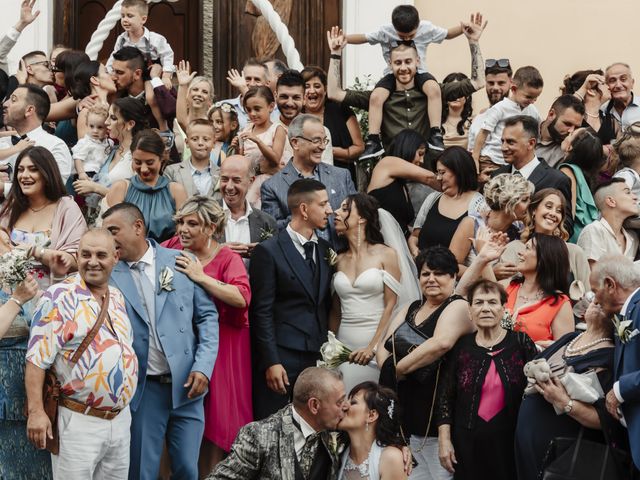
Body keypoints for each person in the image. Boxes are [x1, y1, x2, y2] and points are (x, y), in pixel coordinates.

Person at [102, 202, 219, 480]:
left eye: (113, 230)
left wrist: (203, 367)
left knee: (188, 470)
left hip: (187, 386)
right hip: (145, 389)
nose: (109, 239)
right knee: (142, 470)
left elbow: (207, 318)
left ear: (138, 227)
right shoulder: (109, 274)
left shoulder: (179, 261)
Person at [25, 229, 139, 479]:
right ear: (77, 255)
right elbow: (36, 360)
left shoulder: (117, 297)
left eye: (101, 254)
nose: (93, 261)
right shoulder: (58, 296)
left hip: (120, 421)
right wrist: (36, 411)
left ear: (115, 257)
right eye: (85, 254)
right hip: (78, 421)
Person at [162, 196, 251, 474]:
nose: (183, 230)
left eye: (192, 224)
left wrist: (201, 277)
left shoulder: (227, 258)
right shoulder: (172, 248)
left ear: (211, 228)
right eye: (180, 223)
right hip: (182, 340)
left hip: (223, 344)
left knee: (217, 418)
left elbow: (241, 297)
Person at [378, 246, 473, 480]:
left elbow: (440, 343)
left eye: (439, 273)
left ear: (453, 277)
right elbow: (384, 345)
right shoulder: (411, 307)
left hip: (438, 411)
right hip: (407, 406)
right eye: (425, 273)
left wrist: (397, 369)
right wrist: (387, 369)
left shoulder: (457, 305)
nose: (430, 279)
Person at [250, 179, 334, 420]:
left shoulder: (325, 250)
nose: (330, 209)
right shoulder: (269, 251)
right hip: (282, 358)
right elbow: (261, 312)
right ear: (304, 210)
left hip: (315, 356)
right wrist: (271, 362)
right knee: (276, 428)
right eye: (324, 204)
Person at [346, 6, 480, 156]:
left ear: (418, 25)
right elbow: (364, 37)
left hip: (420, 72)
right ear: (394, 27)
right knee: (376, 97)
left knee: (434, 89)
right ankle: (373, 140)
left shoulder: (426, 28)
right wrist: (344, 39)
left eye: (411, 35)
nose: (407, 39)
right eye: (402, 36)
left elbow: (447, 34)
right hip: (392, 75)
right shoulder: (385, 31)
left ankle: (435, 133)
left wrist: (464, 29)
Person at [515, 288, 620, 480]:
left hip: (564, 455)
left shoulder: (610, 357)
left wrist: (564, 402)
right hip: (528, 443)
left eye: (604, 303)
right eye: (595, 299)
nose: (597, 302)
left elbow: (606, 418)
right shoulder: (570, 338)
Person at [436, 279, 537, 480]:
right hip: (468, 444)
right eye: (479, 302)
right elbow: (445, 397)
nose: (485, 308)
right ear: (470, 311)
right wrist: (444, 440)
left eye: (492, 302)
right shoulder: (461, 348)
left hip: (511, 443)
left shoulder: (521, 343)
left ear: (503, 309)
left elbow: (536, 392)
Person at [208, 366, 349, 480]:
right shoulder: (259, 435)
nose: (346, 406)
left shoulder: (336, 430)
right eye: (339, 402)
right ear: (314, 406)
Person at [330, 194, 402, 392]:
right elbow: (336, 310)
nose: (336, 213)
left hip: (376, 340)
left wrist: (374, 347)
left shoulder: (386, 254)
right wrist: (331, 346)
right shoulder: (338, 259)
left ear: (362, 218)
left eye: (344, 209)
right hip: (344, 343)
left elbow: (391, 304)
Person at [460, 233, 574, 347]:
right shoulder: (507, 287)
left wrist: (540, 348)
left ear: (545, 257)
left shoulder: (560, 303)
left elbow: (564, 352)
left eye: (528, 248)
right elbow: (460, 293)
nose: (520, 252)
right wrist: (483, 257)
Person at [261, 114, 356, 248]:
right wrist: (303, 215)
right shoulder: (272, 186)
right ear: (295, 143)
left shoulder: (341, 176)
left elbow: (357, 216)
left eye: (324, 141)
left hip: (343, 260)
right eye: (316, 141)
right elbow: (271, 232)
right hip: (301, 263)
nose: (322, 147)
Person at [0, 235, 50, 480]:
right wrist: (17, 300)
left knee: (37, 468)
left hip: (33, 395)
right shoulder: (19, 292)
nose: (8, 246)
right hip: (4, 397)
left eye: (7, 241)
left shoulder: (22, 282)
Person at [0, 146, 86, 289]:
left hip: (52, 295)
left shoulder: (66, 207)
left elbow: (77, 260)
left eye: (33, 169)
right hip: (10, 296)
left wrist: (35, 251)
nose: (24, 175)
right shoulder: (12, 205)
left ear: (47, 175)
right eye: (20, 170)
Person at [592, 256, 640, 470]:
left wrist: (619, 390)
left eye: (595, 291)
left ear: (610, 284)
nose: (594, 300)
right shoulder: (625, 313)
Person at [491, 115, 574, 235]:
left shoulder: (556, 179)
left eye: (510, 142)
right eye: (502, 141)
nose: (503, 147)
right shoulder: (497, 175)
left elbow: (566, 226)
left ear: (531, 143)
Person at [105, 129, 187, 242]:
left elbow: (183, 233)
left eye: (150, 163)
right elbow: (114, 233)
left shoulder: (176, 191)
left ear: (161, 158)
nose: (143, 169)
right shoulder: (121, 188)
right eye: (137, 162)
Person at [500, 189, 591, 288]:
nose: (553, 213)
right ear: (534, 210)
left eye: (559, 211)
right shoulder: (514, 249)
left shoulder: (573, 252)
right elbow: (503, 292)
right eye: (548, 206)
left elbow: (588, 295)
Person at [449, 173, 532, 275]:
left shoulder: (519, 229)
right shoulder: (471, 224)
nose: (530, 203)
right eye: (524, 200)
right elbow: (451, 267)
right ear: (507, 202)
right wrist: (490, 274)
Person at [409, 146, 484, 256]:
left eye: (442, 172)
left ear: (459, 171)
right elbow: (414, 236)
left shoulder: (479, 205)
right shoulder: (432, 198)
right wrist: (414, 249)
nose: (438, 178)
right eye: (437, 173)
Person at [366, 130, 440, 237]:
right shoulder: (386, 163)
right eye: (420, 154)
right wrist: (455, 187)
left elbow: (401, 225)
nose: (422, 160)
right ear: (407, 148)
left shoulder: (401, 184)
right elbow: (429, 178)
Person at [73, 97, 145, 205]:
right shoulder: (110, 148)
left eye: (113, 118)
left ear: (130, 124)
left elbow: (136, 198)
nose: (106, 122)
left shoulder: (139, 156)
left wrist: (95, 188)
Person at [0, 84, 73, 189]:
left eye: (13, 100)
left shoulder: (54, 146)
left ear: (29, 110)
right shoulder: (3, 142)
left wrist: (4, 188)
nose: (5, 104)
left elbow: (54, 189)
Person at [472, 67, 544, 171]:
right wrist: (475, 157)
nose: (532, 101)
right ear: (514, 89)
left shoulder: (532, 110)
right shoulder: (500, 108)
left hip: (515, 163)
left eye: (535, 98)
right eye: (528, 97)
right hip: (493, 160)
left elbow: (538, 132)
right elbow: (483, 133)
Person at [300, 66, 364, 172]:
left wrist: (329, 151)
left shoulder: (341, 110)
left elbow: (359, 147)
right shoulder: (296, 114)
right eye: (307, 86)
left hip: (340, 174)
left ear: (325, 90)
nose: (312, 91)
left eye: (317, 86)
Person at [338, 382, 407, 479]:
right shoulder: (337, 453)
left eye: (353, 402)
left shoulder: (391, 458)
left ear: (371, 415)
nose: (344, 406)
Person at [218, 154, 277, 262]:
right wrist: (218, 251)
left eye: (236, 180)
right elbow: (188, 253)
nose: (229, 187)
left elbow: (277, 264)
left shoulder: (267, 222)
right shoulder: (204, 216)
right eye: (225, 179)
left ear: (251, 181)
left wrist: (263, 253)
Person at [106, 0, 175, 89]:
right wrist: (108, 72)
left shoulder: (155, 39)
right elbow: (114, 56)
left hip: (148, 75)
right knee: (113, 90)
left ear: (143, 19)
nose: (125, 20)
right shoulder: (121, 39)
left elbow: (167, 55)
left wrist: (166, 75)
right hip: (128, 76)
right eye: (122, 16)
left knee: (150, 97)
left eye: (130, 16)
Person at [239, 85, 287, 208]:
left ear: (271, 106)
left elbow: (276, 158)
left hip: (270, 181)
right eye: (248, 110)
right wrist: (236, 146)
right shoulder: (248, 129)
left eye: (257, 109)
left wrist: (258, 141)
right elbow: (242, 159)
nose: (252, 114)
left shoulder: (277, 129)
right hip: (250, 180)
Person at [578, 178, 639, 265]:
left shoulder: (632, 238)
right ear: (611, 201)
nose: (635, 197)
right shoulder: (594, 230)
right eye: (628, 192)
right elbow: (592, 276)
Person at [557, 128, 602, 242]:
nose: (568, 132)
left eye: (571, 134)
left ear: (570, 147)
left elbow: (568, 212)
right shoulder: (585, 175)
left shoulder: (567, 170)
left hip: (572, 237)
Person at [163, 118, 220, 197]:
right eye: (195, 139)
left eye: (206, 139)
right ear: (187, 143)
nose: (200, 143)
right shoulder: (172, 172)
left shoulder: (221, 174)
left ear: (214, 143)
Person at [466, 58, 512, 151]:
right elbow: (470, 150)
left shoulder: (521, 112)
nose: (495, 87)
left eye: (501, 83)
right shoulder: (479, 118)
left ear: (511, 83)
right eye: (491, 83)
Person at [219, 58, 278, 129]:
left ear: (267, 84)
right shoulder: (223, 106)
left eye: (257, 80)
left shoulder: (276, 110)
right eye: (248, 79)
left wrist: (245, 91)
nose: (252, 84)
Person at [174, 60, 214, 160]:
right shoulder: (175, 122)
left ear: (210, 101)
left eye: (204, 92)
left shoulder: (212, 124)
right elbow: (182, 120)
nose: (199, 94)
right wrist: (183, 85)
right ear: (187, 95)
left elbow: (183, 122)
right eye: (195, 90)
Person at [535, 94, 585, 168]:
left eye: (576, 127)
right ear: (551, 114)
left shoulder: (565, 154)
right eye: (568, 124)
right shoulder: (525, 127)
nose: (571, 131)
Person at [71, 104, 113, 184]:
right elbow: (78, 158)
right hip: (86, 172)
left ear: (107, 128)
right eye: (91, 126)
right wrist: (81, 173)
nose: (95, 131)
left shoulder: (109, 143)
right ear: (87, 125)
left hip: (100, 172)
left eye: (100, 127)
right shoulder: (85, 142)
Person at [601, 63, 640, 139]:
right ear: (607, 86)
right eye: (612, 80)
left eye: (623, 79)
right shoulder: (602, 110)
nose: (618, 85)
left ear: (632, 83)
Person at [441, 73, 474, 149]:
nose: (455, 96)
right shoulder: (435, 123)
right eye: (452, 91)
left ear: (468, 95)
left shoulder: (474, 122)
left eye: (459, 91)